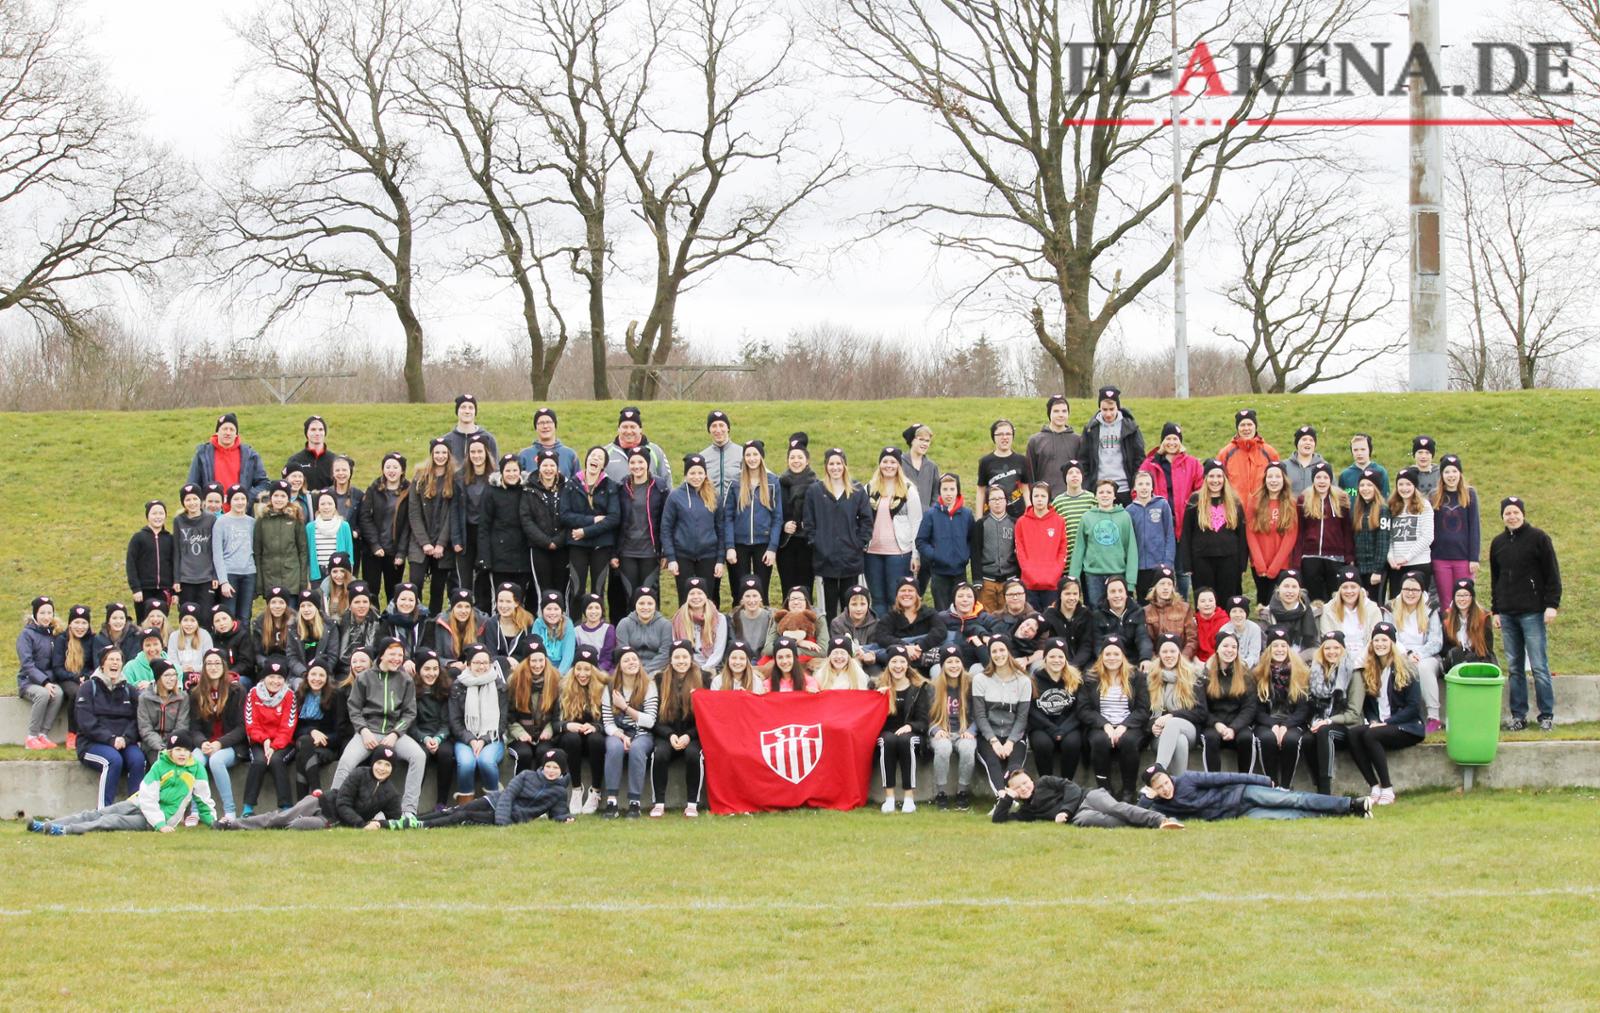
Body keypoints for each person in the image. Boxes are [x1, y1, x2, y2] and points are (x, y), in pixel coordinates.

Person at [34, 729, 218, 835]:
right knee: (99, 813)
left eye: (185, 750)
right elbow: (148, 796)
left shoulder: (196, 769)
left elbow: (203, 799)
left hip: (159, 819)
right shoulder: (160, 766)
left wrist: (213, 822)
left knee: (110, 821)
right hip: (139, 803)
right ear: (170, 751)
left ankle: (66, 830)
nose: (182, 754)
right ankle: (50, 824)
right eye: (177, 750)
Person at [330, 637, 425, 824]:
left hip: (394, 733)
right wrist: (363, 731)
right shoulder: (364, 677)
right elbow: (354, 709)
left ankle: (409, 811)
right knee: (346, 761)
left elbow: (409, 713)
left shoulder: (406, 680)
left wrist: (395, 734)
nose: (397, 658)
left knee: (419, 756)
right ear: (382, 655)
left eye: (400, 654)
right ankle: (332, 810)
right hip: (368, 732)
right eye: (392, 654)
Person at [1490, 496, 1562, 731]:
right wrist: (1496, 610)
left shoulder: (1539, 538)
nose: (1512, 516)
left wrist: (1551, 605)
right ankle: (1518, 716)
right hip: (1507, 613)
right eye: (1507, 513)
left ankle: (1546, 715)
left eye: (1515, 512)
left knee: (1539, 665)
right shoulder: (1498, 543)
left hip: (1533, 612)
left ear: (1522, 513)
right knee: (1514, 668)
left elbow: (1552, 574)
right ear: (1502, 516)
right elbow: (1496, 579)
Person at [225, 744, 403, 832]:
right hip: (321, 803)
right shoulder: (359, 773)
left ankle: (276, 826)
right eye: (379, 763)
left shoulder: (391, 793)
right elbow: (343, 803)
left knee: (296, 825)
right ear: (373, 763)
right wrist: (362, 824)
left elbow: (396, 819)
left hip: (330, 820)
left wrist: (379, 824)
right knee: (279, 818)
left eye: (387, 765)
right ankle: (232, 824)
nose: (382, 768)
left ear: (392, 769)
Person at [1346, 622, 1425, 805]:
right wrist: (1374, 720)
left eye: (1384, 640)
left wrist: (1388, 722)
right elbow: (1369, 705)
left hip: (1407, 726)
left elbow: (1413, 707)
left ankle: (1387, 788)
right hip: (1381, 725)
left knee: (1371, 734)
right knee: (1353, 733)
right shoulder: (1370, 668)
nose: (1380, 644)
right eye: (1376, 640)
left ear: (1392, 643)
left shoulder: (1407, 668)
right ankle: (1374, 786)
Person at [1138, 764, 1369, 820]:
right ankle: (1342, 815)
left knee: (1294, 799)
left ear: (1169, 777)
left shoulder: (1188, 779)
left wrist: (1264, 781)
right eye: (1159, 787)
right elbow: (1140, 817)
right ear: (1152, 790)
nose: (1165, 789)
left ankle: (1350, 804)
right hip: (1239, 814)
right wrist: (1146, 800)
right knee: (1290, 815)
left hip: (1243, 793)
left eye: (1165, 782)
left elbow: (1227, 777)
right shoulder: (1159, 805)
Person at [414, 747, 574, 828]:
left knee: (464, 815)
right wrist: (502, 819)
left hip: (513, 817)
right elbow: (508, 794)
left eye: (555, 768)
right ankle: (415, 820)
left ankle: (423, 826)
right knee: (457, 809)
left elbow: (558, 812)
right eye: (548, 766)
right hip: (495, 802)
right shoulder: (527, 775)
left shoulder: (559, 791)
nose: (551, 771)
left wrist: (565, 818)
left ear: (562, 770)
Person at [805, 447, 874, 623]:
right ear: (826, 466)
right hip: (824, 560)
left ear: (844, 465)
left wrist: (858, 543)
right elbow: (809, 523)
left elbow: (867, 520)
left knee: (850, 604)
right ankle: (829, 638)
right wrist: (817, 543)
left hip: (851, 559)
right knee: (827, 608)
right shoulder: (815, 491)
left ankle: (851, 637)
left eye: (839, 463)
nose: (835, 467)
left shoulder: (857, 490)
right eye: (831, 464)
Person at [1078, 635, 1149, 801]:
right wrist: (1105, 725)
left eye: (1116, 654)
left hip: (1130, 725)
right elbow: (1083, 710)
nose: (1112, 658)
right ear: (1101, 656)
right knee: (1099, 741)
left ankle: (1128, 790)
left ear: (1123, 656)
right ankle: (1105, 789)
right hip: (1100, 726)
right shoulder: (1090, 678)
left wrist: (1124, 725)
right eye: (1107, 654)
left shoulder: (1136, 677)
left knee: (1128, 741)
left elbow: (1143, 709)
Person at [995, 767, 1182, 829]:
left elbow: (1072, 788)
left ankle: (1161, 820)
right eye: (1017, 787)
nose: (1024, 788)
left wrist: (1064, 811)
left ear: (1030, 779)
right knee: (1107, 821)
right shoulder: (1026, 811)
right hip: (1078, 816)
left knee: (1116, 808)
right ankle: (1146, 825)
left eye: (1025, 782)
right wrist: (1007, 798)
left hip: (1088, 796)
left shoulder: (1044, 781)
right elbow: (999, 820)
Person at [1139, 422, 1204, 597]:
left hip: (1183, 524)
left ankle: (1181, 603)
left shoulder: (1192, 464)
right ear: (1162, 441)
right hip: (1157, 525)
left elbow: (1200, 490)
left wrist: (1191, 510)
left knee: (1182, 570)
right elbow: (1137, 490)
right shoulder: (1150, 464)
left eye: (1175, 439)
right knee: (1160, 569)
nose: (1172, 443)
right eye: (1168, 438)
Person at [75, 645, 146, 805]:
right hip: (92, 743)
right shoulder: (88, 688)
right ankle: (104, 810)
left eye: (118, 660)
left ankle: (134, 808)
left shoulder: (129, 690)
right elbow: (86, 722)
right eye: (111, 659)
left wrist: (126, 739)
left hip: (124, 742)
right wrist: (111, 739)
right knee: (113, 760)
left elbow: (138, 720)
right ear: (102, 664)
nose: (115, 663)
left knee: (138, 760)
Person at [862, 447, 923, 614]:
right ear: (879, 464)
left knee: (894, 596)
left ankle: (897, 628)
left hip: (899, 553)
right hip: (872, 552)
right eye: (885, 461)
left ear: (899, 465)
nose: (888, 465)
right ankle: (880, 628)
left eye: (893, 462)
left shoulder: (909, 490)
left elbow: (916, 523)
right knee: (877, 598)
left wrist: (915, 554)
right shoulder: (869, 489)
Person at [408, 440, 465, 616]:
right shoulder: (420, 478)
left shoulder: (455, 479)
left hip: (443, 544)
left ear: (449, 455)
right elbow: (414, 513)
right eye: (437, 452)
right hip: (420, 541)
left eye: (444, 453)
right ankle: (414, 619)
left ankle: (433, 621)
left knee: (438, 589)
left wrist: (441, 543)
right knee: (415, 583)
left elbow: (452, 514)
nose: (440, 456)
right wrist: (424, 543)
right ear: (432, 454)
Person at [601, 646, 658, 819]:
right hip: (618, 732)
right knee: (614, 748)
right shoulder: (610, 688)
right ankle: (612, 802)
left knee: (637, 749)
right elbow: (607, 723)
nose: (631, 663)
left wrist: (625, 707)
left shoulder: (649, 685)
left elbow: (650, 721)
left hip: (642, 733)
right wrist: (622, 736)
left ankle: (635, 802)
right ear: (619, 666)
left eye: (634, 659)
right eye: (626, 660)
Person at [1251, 627, 1312, 788]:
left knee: (1291, 740)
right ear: (1269, 650)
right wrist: (1273, 725)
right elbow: (1256, 709)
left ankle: (1285, 786)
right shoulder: (1258, 674)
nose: (1280, 649)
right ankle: (1272, 785)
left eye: (1283, 646)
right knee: (1267, 739)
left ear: (1289, 649)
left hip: (1292, 721)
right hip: (1266, 721)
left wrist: (1285, 726)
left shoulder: (1301, 673)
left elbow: (1303, 709)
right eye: (1275, 646)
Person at [971, 636, 1033, 794]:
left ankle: (1015, 796)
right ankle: (1002, 796)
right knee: (993, 763)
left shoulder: (1024, 681)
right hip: (989, 735)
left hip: (1015, 735)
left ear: (1009, 651)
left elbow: (1022, 718)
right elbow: (980, 715)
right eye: (994, 651)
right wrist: (994, 741)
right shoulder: (980, 679)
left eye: (1002, 650)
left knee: (1015, 767)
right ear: (990, 654)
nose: (998, 655)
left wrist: (1010, 742)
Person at [1180, 459, 1248, 603]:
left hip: (1229, 559)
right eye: (1211, 476)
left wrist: (1242, 563)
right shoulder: (1195, 500)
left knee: (1228, 598)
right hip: (1202, 560)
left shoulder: (1234, 501)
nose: (1215, 480)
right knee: (1205, 599)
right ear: (1205, 478)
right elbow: (1186, 533)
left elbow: (1242, 534)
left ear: (1224, 479)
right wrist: (1187, 563)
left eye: (1219, 476)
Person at [446, 643, 507, 803]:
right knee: (467, 764)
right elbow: (455, 721)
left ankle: (493, 802)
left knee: (486, 761)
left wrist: (484, 740)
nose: (481, 667)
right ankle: (465, 806)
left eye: (485, 663)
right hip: (465, 738)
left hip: (492, 737)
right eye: (477, 663)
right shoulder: (458, 686)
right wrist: (472, 740)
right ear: (468, 664)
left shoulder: (499, 686)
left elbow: (502, 722)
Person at [661, 454, 726, 603]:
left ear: (705, 474)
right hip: (683, 556)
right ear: (685, 475)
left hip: (708, 556)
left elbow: (721, 529)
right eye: (692, 473)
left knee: (707, 598)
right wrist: (671, 558)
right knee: (685, 598)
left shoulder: (714, 497)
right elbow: (666, 528)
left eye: (700, 473)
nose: (696, 477)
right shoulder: (675, 496)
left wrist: (720, 559)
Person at [562, 446, 621, 608]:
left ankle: (598, 622)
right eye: (593, 455)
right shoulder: (572, 484)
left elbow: (613, 518)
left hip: (601, 545)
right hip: (577, 544)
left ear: (603, 465)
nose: (595, 459)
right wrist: (593, 520)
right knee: (576, 590)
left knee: (598, 591)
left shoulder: (610, 486)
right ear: (587, 459)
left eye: (600, 458)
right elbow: (565, 515)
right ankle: (574, 623)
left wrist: (585, 531)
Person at [651, 641, 705, 818]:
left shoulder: (704, 679)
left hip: (694, 734)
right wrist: (669, 735)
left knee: (693, 755)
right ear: (670, 659)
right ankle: (659, 803)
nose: (681, 661)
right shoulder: (659, 680)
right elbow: (654, 718)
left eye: (685, 657)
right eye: (677, 657)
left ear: (691, 658)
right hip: (667, 734)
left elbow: (706, 717)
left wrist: (689, 736)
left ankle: (692, 804)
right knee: (659, 754)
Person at [1067, 480, 1138, 610]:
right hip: (1093, 575)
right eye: (1101, 492)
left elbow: (1131, 549)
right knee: (1095, 611)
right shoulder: (1087, 517)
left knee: (1117, 610)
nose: (1105, 495)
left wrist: (1131, 582)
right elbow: (1079, 549)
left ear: (1114, 496)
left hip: (1117, 573)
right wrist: (1073, 578)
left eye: (1109, 492)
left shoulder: (1124, 517)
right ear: (1095, 495)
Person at [1307, 630, 1363, 795]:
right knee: (1307, 738)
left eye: (1336, 648)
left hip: (1348, 726)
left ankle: (1326, 792)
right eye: (1327, 648)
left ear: (1343, 649)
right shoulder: (1315, 671)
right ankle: (1318, 786)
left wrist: (1329, 721)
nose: (1332, 652)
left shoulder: (1354, 673)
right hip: (1321, 722)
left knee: (1325, 731)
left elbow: (1354, 713)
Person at [876, 645, 930, 814]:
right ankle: (889, 798)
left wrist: (910, 726)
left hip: (912, 733)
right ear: (888, 664)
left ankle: (909, 798)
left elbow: (923, 722)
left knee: (906, 740)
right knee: (887, 740)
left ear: (907, 664)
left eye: (902, 661)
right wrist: (877, 698)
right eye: (894, 661)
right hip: (887, 733)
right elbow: (871, 718)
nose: (898, 666)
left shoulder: (919, 687)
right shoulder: (877, 685)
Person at [553, 644, 607, 814]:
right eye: (578, 669)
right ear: (573, 669)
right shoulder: (563, 688)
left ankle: (596, 790)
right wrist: (566, 725)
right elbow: (553, 722)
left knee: (596, 739)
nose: (582, 674)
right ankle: (576, 789)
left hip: (593, 737)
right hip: (571, 739)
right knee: (571, 738)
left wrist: (595, 727)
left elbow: (609, 721)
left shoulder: (603, 688)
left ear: (594, 671)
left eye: (587, 669)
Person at [1390, 571, 1445, 733]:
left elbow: (1436, 641)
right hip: (1399, 654)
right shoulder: (1390, 608)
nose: (1410, 593)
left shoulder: (1430, 609)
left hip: (1426, 656)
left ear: (1422, 591)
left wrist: (1418, 654)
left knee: (1424, 667)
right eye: (1407, 589)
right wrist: (1406, 653)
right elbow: (1389, 638)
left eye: (1415, 590)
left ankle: (1433, 717)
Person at [612, 447, 667, 608]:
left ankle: (653, 625)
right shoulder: (621, 487)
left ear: (647, 463)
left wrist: (665, 552)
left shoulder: (659, 487)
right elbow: (615, 521)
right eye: (633, 462)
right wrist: (613, 553)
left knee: (650, 596)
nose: (637, 466)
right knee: (631, 597)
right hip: (627, 552)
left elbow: (665, 521)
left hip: (650, 551)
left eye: (640, 462)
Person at [241, 660, 298, 816]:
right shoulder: (253, 693)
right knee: (259, 762)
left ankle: (286, 809)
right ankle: (247, 808)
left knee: (276, 761)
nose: (275, 681)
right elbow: (251, 723)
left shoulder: (290, 696)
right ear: (264, 678)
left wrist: (274, 746)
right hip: (259, 741)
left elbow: (288, 727)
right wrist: (264, 739)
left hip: (283, 743)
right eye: (271, 677)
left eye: (280, 678)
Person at [924, 646, 976, 810]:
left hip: (963, 731)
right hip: (941, 731)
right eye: (949, 662)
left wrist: (971, 731)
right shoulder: (933, 687)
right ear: (942, 666)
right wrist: (935, 729)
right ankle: (941, 793)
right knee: (943, 748)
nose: (954, 665)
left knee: (968, 748)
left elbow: (980, 714)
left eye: (957, 661)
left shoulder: (971, 685)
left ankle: (962, 791)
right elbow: (926, 715)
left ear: (962, 664)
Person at [1147, 633, 1207, 775]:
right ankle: (1179, 783)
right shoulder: (1150, 678)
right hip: (1159, 734)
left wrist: (1172, 716)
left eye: (1173, 651)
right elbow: (1143, 712)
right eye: (1164, 651)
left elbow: (1201, 713)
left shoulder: (1193, 677)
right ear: (1159, 654)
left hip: (1189, 728)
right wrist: (1152, 725)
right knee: (1180, 741)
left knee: (1173, 723)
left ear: (1179, 653)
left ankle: (1157, 773)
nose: (1169, 655)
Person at [915, 472, 974, 612]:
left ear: (957, 490)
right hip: (939, 573)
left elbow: (972, 539)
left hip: (960, 572)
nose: (949, 493)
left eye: (952, 489)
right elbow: (921, 541)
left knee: (961, 609)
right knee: (942, 612)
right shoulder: (931, 514)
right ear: (939, 491)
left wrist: (964, 555)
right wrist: (935, 555)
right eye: (945, 489)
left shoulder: (966, 514)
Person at [1029, 637, 1085, 781]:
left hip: (1069, 726)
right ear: (1045, 658)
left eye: (1061, 656)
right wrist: (1052, 729)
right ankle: (1047, 785)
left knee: (1072, 743)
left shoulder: (1075, 680)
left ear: (1066, 659)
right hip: (1042, 726)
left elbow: (1079, 710)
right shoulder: (1034, 680)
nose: (1056, 660)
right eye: (1052, 656)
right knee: (1042, 744)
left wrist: (1063, 730)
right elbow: (1032, 711)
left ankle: (1066, 784)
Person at [358, 452, 411, 604]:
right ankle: (373, 618)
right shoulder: (373, 489)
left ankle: (391, 618)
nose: (391, 470)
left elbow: (408, 524)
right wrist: (374, 544)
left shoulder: (409, 491)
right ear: (383, 469)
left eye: (395, 467)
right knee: (371, 592)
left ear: (402, 470)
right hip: (373, 551)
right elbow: (365, 517)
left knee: (393, 593)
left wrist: (401, 552)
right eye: (388, 467)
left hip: (394, 551)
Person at [1296, 463, 1353, 603]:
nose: (1322, 481)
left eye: (1325, 477)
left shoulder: (1341, 499)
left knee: (1334, 599)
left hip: (1335, 558)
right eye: (1318, 477)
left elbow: (1347, 530)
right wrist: (1297, 558)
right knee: (1314, 599)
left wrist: (1349, 555)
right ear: (1313, 479)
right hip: (1310, 557)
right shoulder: (1304, 499)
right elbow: (1300, 531)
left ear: (1330, 479)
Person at [1201, 630, 1256, 773]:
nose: (1230, 650)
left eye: (1234, 647)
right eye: (1225, 646)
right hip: (1213, 723)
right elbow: (1201, 707)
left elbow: (1249, 707)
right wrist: (1217, 724)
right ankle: (1214, 782)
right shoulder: (1205, 674)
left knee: (1246, 738)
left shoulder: (1245, 674)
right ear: (1217, 649)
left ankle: (1245, 780)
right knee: (1211, 738)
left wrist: (1233, 728)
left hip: (1238, 723)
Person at [408, 649, 456, 810]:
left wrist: (438, 738)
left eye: (435, 669)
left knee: (446, 754)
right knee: (421, 755)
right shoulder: (411, 690)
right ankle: (411, 805)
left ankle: (441, 803)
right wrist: (424, 738)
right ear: (419, 670)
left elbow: (447, 722)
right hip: (419, 735)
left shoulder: (445, 688)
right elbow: (411, 724)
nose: (432, 673)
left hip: (441, 736)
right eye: (427, 669)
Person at [1080, 386, 1145, 504]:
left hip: (1125, 488)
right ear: (1099, 408)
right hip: (1100, 488)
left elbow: (1139, 457)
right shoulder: (1091, 429)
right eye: (1104, 409)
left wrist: (1135, 482)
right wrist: (1088, 484)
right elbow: (1084, 459)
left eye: (1111, 409)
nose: (1108, 414)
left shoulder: (1131, 428)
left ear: (1118, 407)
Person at [1246, 462, 1299, 606]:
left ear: (1284, 480)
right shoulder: (1254, 501)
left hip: (1281, 564)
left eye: (1278, 477)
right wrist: (1259, 563)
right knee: (1262, 601)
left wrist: (1275, 566)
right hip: (1259, 564)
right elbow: (1250, 533)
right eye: (1270, 476)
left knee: (1277, 602)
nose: (1273, 480)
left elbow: (1290, 537)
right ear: (1265, 479)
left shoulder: (1290, 504)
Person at [292, 662, 348, 797]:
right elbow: (295, 729)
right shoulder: (299, 695)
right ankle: (316, 790)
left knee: (302, 756)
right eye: (313, 674)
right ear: (307, 676)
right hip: (304, 742)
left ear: (327, 678)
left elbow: (341, 731)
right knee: (305, 742)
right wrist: (312, 732)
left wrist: (321, 740)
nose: (317, 678)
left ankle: (303, 801)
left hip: (327, 746)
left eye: (321, 675)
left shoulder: (336, 696)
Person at [187, 413, 270, 501]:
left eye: (232, 429)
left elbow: (264, 484)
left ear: (236, 434)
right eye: (224, 429)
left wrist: (245, 497)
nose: (228, 433)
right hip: (212, 508)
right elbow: (192, 485)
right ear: (217, 432)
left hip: (241, 508)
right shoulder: (202, 454)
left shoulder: (250, 455)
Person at [19, 596, 67, 749]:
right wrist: (44, 682)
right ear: (35, 614)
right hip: (28, 681)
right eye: (42, 613)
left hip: (48, 680)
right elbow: (27, 664)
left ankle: (43, 734)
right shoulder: (26, 635)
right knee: (43, 694)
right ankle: (31, 736)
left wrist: (50, 681)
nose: (46, 617)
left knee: (58, 693)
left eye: (49, 613)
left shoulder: (54, 634)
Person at [505, 643, 560, 773]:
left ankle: (540, 784)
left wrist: (549, 730)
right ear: (526, 662)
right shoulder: (514, 680)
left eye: (541, 660)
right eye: (533, 661)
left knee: (544, 752)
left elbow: (558, 713)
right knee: (525, 754)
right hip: (520, 732)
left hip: (545, 733)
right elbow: (508, 713)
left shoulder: (555, 679)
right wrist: (519, 732)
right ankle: (521, 784)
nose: (538, 665)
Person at [775, 432, 817, 602]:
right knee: (787, 586)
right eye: (792, 457)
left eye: (800, 457)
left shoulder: (816, 485)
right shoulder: (779, 484)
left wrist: (808, 524)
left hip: (807, 542)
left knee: (806, 586)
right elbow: (774, 512)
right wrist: (784, 525)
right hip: (786, 543)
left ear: (807, 461)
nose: (796, 461)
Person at [1013, 482, 1067, 612]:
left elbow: (1062, 550)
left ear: (1049, 498)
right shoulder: (1021, 522)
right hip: (1029, 583)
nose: (1039, 499)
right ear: (1031, 498)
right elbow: (1020, 551)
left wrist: (1055, 573)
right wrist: (1028, 572)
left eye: (1043, 496)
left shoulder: (1059, 521)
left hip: (1052, 583)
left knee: (1050, 618)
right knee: (1032, 618)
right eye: (1036, 496)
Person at [1430, 454, 1480, 595]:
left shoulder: (1470, 494)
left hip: (1463, 557)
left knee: (1463, 598)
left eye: (1454, 471)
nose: (1451, 475)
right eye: (1447, 472)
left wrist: (1474, 558)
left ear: (1460, 473)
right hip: (1440, 557)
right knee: (1446, 600)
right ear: (1441, 475)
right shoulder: (1434, 496)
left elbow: (1474, 527)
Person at [456, 435, 496, 607]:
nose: (476, 455)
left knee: (484, 577)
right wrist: (456, 539)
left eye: (480, 451)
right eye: (473, 452)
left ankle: (483, 613)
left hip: (487, 533)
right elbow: (454, 511)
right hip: (466, 533)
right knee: (465, 581)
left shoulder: (495, 478)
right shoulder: (459, 477)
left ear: (486, 453)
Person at [254, 480, 310, 602]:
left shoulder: (295, 518)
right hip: (269, 578)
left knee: (291, 613)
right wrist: (259, 582)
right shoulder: (262, 520)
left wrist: (303, 581)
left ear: (288, 498)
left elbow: (303, 551)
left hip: (291, 579)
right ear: (271, 497)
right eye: (276, 495)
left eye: (283, 496)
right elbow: (257, 552)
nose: (279, 499)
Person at [1385, 468, 1434, 601]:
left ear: (1414, 486)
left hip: (1419, 563)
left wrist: (1407, 557)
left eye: (1408, 484)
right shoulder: (1392, 506)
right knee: (1397, 603)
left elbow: (1427, 537)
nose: (1404, 488)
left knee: (1418, 603)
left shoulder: (1424, 506)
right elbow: (1388, 536)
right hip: (1396, 566)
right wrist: (1390, 557)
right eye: (1400, 484)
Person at [1126, 470, 1175, 601]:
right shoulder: (1129, 510)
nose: (1144, 487)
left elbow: (1169, 535)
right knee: (1143, 601)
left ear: (1152, 486)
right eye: (1140, 484)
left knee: (1161, 600)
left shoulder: (1162, 505)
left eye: (1147, 484)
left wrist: (1168, 562)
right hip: (1139, 566)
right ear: (1134, 487)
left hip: (1159, 565)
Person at [970, 486, 1019, 614]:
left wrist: (1019, 577)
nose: (997, 502)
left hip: (1009, 579)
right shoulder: (981, 524)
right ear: (988, 503)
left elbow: (1019, 551)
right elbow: (975, 553)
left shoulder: (1015, 523)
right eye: (993, 499)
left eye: (1000, 498)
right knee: (987, 616)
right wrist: (977, 580)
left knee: (1008, 614)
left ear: (1006, 501)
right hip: (987, 581)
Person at [172, 484, 219, 615]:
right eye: (187, 499)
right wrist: (176, 579)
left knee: (206, 616)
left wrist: (215, 575)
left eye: (195, 499)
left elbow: (215, 550)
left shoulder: (211, 519)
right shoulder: (178, 521)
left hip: (206, 578)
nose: (192, 503)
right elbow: (177, 552)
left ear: (201, 500)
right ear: (183, 502)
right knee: (188, 616)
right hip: (186, 578)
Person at [601, 404, 672, 489]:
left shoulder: (655, 451)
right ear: (618, 429)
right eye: (625, 427)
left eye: (633, 427)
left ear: (640, 429)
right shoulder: (605, 453)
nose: (629, 431)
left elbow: (667, 481)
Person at [1026, 395, 1082, 499]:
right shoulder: (1035, 441)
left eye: (1064, 411)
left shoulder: (1078, 440)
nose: (1061, 415)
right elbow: (1030, 475)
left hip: (1072, 499)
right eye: (1056, 411)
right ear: (1049, 413)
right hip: (1045, 500)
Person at [1089, 576, 1152, 669]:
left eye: (1120, 591)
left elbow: (1143, 638)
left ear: (1126, 594)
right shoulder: (1097, 615)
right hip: (1108, 661)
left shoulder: (1137, 612)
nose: (1117, 595)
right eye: (1113, 591)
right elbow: (1098, 644)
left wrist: (1145, 658)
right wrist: (1107, 662)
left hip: (1133, 663)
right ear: (1107, 595)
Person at [1319, 569, 1384, 659]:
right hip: (1338, 658)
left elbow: (1376, 639)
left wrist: (1362, 660)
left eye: (1353, 587)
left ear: (1360, 589)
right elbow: (1328, 640)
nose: (1349, 591)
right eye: (1345, 587)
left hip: (1367, 659)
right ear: (1339, 590)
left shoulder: (1372, 609)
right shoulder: (1328, 610)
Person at [1216, 408, 1279, 500]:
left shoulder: (1270, 453)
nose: (1246, 428)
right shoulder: (1225, 454)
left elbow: (1279, 482)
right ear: (1237, 428)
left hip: (1263, 506)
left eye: (1249, 424)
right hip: (1234, 506)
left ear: (1255, 427)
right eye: (1242, 425)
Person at [977, 418, 1033, 518]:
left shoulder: (1022, 460)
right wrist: (979, 518)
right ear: (994, 437)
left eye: (1008, 434)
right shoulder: (985, 462)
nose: (1004, 437)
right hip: (993, 517)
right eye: (1000, 434)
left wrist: (1030, 515)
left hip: (1018, 516)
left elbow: (1025, 490)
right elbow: (981, 492)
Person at [136, 658, 190, 763]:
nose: (172, 678)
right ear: (158, 678)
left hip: (176, 744)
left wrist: (171, 746)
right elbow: (145, 729)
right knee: (161, 764)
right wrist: (161, 747)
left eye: (174, 675)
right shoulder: (144, 698)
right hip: (153, 745)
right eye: (167, 675)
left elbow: (182, 726)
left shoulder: (183, 697)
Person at [125, 500, 175, 610]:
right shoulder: (138, 538)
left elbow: (174, 564)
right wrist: (136, 588)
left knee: (161, 619)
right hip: (143, 590)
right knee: (144, 619)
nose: (158, 517)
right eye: (154, 513)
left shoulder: (170, 539)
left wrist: (174, 591)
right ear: (147, 516)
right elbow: (131, 564)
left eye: (161, 513)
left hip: (164, 590)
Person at [1350, 468, 1391, 600]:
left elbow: (1383, 542)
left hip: (1375, 571)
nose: (1365, 489)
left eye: (1369, 485)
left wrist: (1377, 570)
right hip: (1360, 569)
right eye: (1362, 485)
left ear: (1376, 488)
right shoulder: (1358, 510)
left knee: (1374, 604)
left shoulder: (1383, 510)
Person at [615, 585, 673, 675]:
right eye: (641, 603)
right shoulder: (624, 624)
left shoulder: (665, 625)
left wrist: (645, 672)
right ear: (635, 604)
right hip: (630, 669)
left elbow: (665, 654)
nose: (645, 607)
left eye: (650, 604)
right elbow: (623, 652)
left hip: (657, 670)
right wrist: (635, 670)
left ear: (655, 605)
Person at [1050, 460, 1096, 571]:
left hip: (1089, 560)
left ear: (1082, 476)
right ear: (1065, 478)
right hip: (1068, 560)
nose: (1074, 475)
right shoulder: (1058, 502)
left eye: (1078, 472)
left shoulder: (1092, 499)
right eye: (1070, 473)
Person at [1442, 579, 1497, 671]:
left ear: (1472, 597)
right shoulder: (1447, 617)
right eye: (1458, 595)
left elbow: (1488, 647)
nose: (1462, 599)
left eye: (1466, 595)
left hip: (1479, 657)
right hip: (1456, 659)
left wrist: (1471, 656)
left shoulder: (1483, 616)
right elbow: (1445, 647)